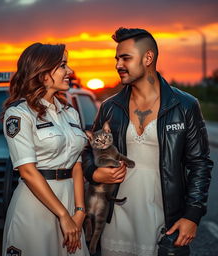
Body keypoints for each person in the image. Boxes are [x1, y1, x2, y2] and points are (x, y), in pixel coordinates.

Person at [82, 27, 213, 256]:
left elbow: (200, 164)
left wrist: (192, 214)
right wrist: (94, 172)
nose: (118, 65)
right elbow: (86, 151)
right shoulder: (110, 108)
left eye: (126, 58)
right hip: (115, 222)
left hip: (163, 221)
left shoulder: (184, 106)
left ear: (148, 57)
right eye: (117, 58)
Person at [1, 42, 90, 256]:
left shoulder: (70, 113)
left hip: (70, 203)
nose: (69, 71)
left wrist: (79, 212)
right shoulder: (19, 114)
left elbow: (77, 165)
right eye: (62, 66)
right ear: (42, 74)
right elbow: (28, 172)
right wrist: (63, 215)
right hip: (35, 206)